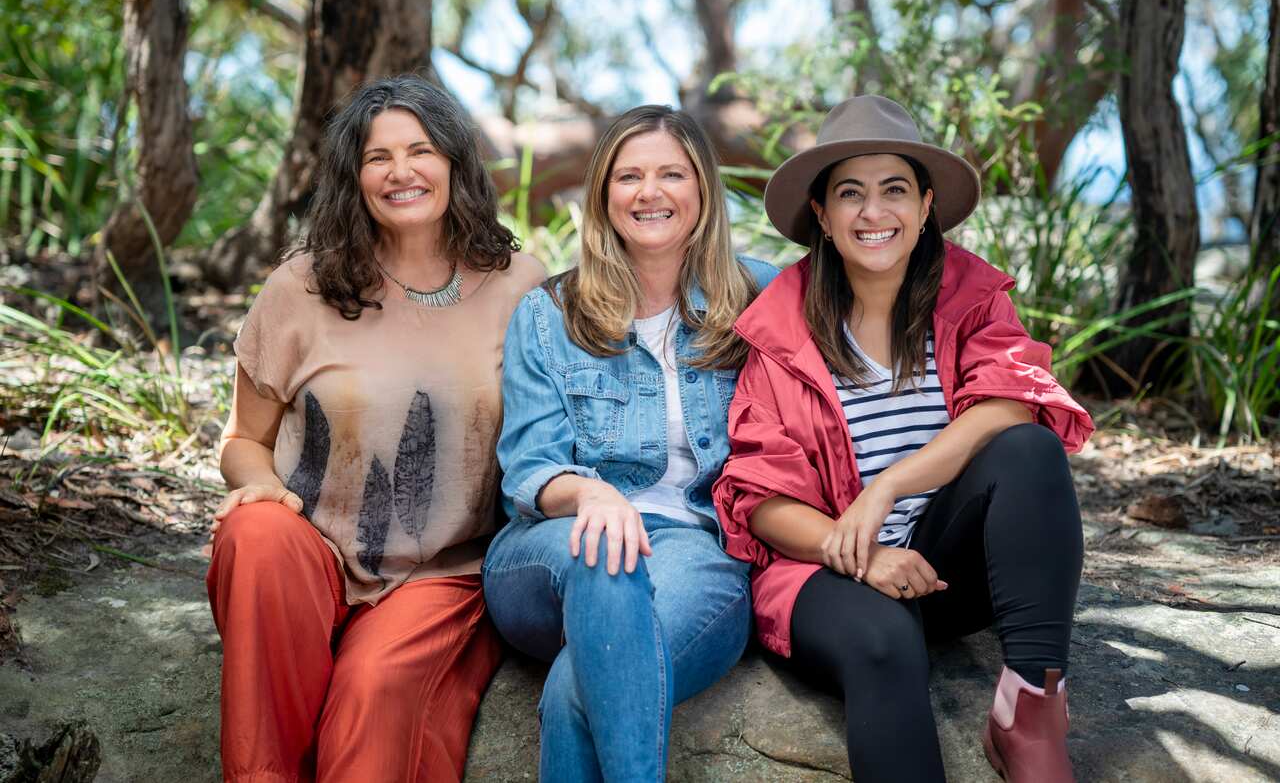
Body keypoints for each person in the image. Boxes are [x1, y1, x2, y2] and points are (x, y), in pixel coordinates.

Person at [713, 95, 1094, 783]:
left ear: (925, 209)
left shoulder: (970, 294)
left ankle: (1032, 714)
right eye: (850, 194)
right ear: (823, 218)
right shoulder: (780, 330)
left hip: (944, 565)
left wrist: (888, 486)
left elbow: (1012, 403)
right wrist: (860, 554)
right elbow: (761, 499)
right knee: (886, 640)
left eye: (894, 190)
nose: (873, 212)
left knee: (1029, 451)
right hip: (828, 568)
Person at [206, 74, 546, 782]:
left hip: (441, 573)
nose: (400, 172)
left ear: (455, 161)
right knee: (255, 533)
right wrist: (263, 488)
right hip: (312, 560)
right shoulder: (301, 287)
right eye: (376, 157)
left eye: (420, 150)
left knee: (372, 691)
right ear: (352, 177)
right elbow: (243, 440)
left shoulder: (519, 284)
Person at [481, 104, 777, 782]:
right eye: (629, 176)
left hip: (695, 549)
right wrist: (594, 493)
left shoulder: (756, 296)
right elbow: (530, 466)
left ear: (703, 190)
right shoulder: (550, 313)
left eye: (672, 173)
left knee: (573, 688)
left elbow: (865, 301)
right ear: (603, 194)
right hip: (551, 543)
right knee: (605, 554)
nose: (650, 192)